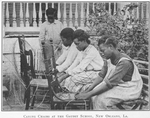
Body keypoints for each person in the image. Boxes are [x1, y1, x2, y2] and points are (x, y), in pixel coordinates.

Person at [75, 36, 143, 110]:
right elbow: (101, 75)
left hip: (130, 88)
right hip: (119, 85)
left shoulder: (124, 62)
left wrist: (89, 94)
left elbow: (110, 84)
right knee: (93, 96)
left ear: (110, 47)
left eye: (103, 50)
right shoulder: (108, 59)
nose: (101, 53)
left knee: (101, 100)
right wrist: (89, 90)